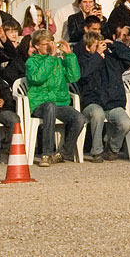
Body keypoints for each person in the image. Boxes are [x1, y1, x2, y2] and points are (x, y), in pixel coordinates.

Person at [74, 23, 130, 162]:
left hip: (112, 103)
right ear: (88, 48)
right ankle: (97, 151)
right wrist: (97, 56)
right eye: (96, 46)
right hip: (92, 103)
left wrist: (114, 45)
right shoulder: (83, 60)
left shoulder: (112, 60)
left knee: (126, 123)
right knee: (97, 114)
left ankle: (113, 148)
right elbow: (83, 74)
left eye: (101, 45)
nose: (101, 48)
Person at [26, 29, 85, 166]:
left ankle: (63, 153)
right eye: (46, 44)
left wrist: (69, 55)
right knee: (49, 107)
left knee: (79, 118)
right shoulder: (31, 62)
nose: (50, 46)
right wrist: (51, 58)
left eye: (51, 43)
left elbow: (74, 77)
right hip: (39, 103)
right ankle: (46, 153)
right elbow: (37, 78)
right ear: (36, 46)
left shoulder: (57, 61)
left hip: (59, 102)